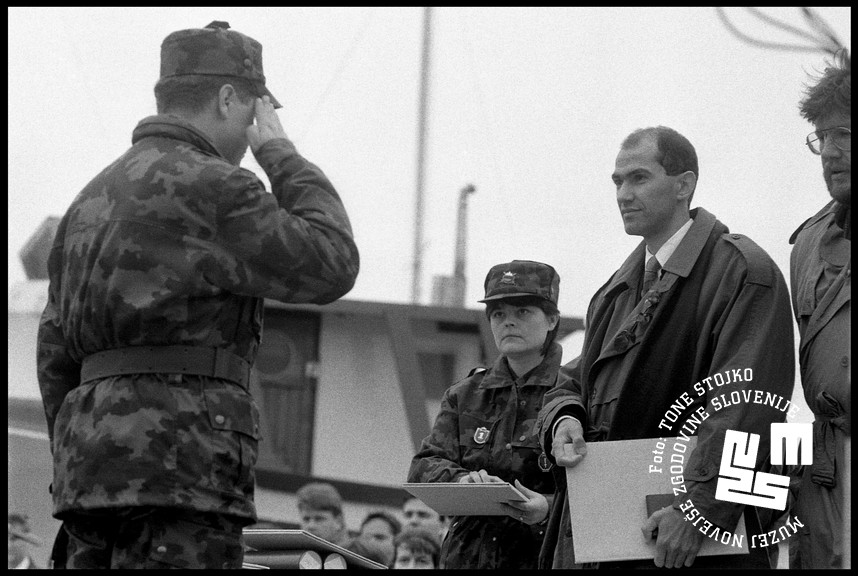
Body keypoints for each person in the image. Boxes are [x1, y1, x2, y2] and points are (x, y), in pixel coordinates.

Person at [36, 21, 359, 570]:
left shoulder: (89, 199)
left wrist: (79, 449)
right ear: (230, 97)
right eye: (256, 106)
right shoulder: (217, 187)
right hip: (182, 471)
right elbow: (332, 262)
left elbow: (53, 353)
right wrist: (280, 153)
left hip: (88, 476)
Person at [536, 126, 795, 569]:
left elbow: (749, 408)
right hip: (618, 540)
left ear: (684, 185)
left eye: (639, 178)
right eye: (617, 181)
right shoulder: (616, 291)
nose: (623, 194)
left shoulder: (743, 272)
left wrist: (699, 512)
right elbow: (573, 381)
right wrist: (563, 418)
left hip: (703, 542)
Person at [407, 260, 561, 569]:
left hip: (542, 556)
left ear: (552, 320)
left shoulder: (572, 397)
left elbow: (599, 493)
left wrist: (549, 507)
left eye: (523, 312)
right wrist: (463, 482)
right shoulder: (465, 395)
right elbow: (423, 466)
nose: (508, 323)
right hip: (467, 559)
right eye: (499, 314)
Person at [788, 48, 850, 570]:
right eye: (822, 138)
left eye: (846, 136)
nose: (831, 152)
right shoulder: (807, 245)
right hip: (829, 468)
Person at [296, 482, 352, 548]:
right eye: (306, 519)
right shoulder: (292, 552)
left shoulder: (357, 554)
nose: (311, 526)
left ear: (338, 522)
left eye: (319, 519)